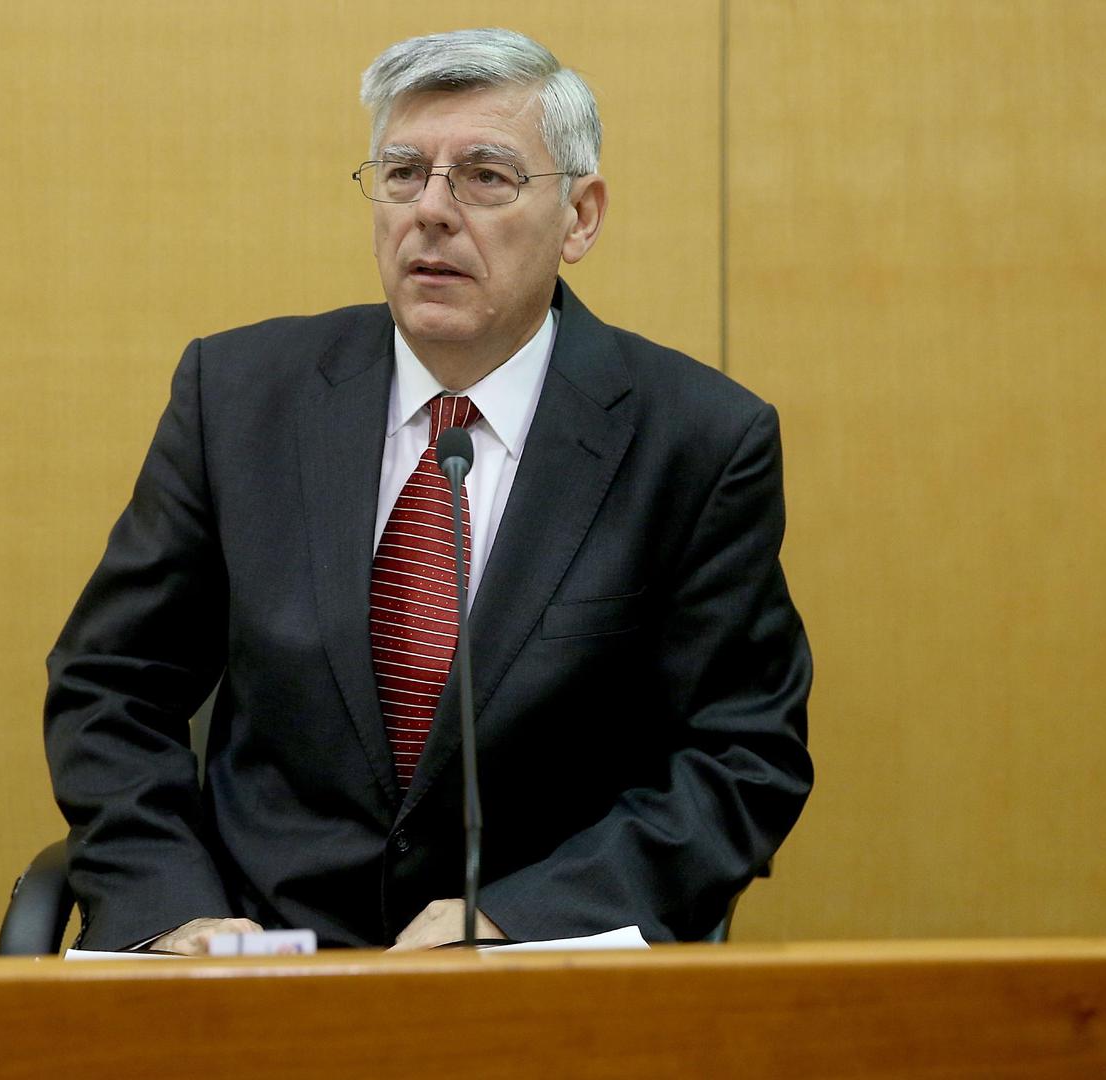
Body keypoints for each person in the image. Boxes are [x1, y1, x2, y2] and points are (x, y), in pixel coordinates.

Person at [44, 27, 812, 954]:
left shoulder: (696, 440)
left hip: (529, 965)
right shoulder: (238, 398)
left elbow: (742, 755)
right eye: (404, 173)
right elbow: (112, 687)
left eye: (485, 177)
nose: (432, 212)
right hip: (256, 955)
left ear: (579, 217)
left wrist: (517, 918)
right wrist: (173, 910)